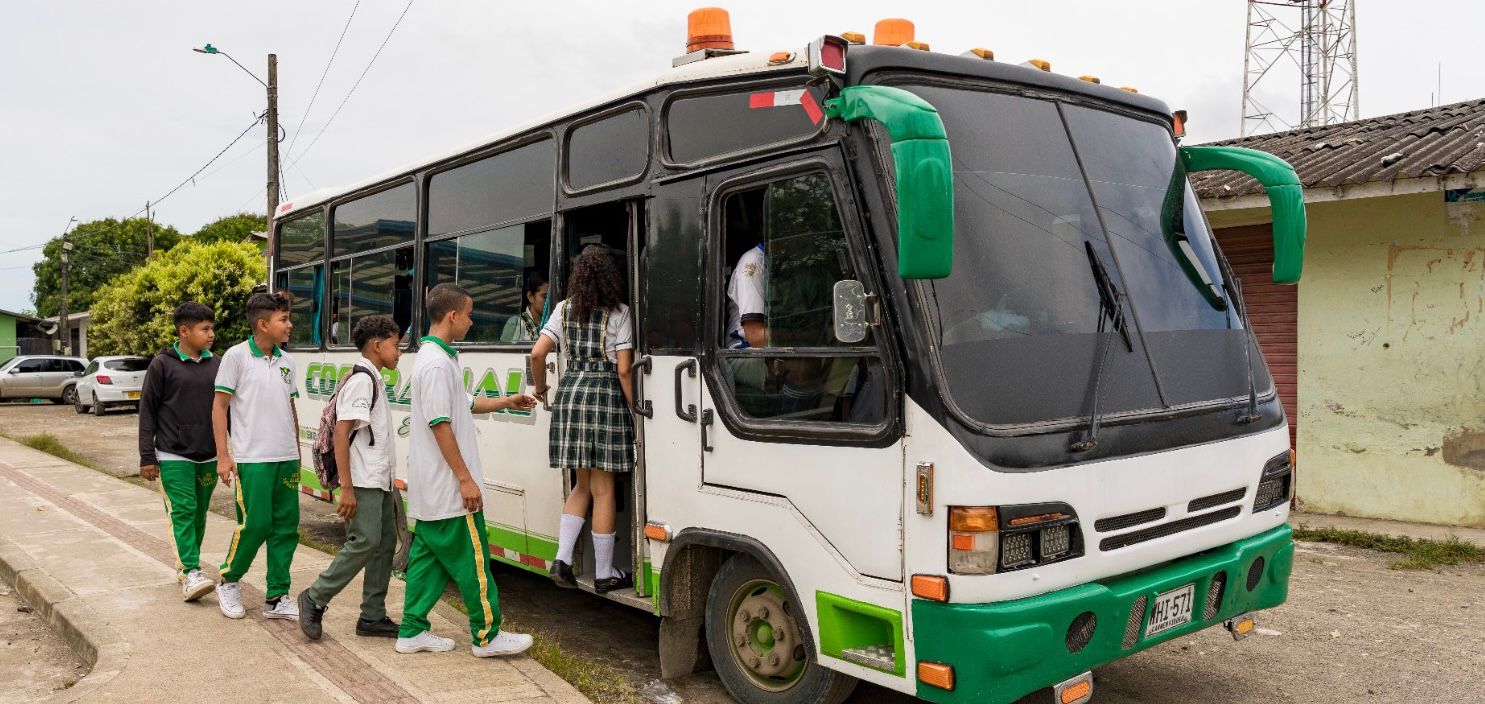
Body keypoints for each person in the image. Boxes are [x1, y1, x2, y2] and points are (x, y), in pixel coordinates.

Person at [397, 283, 536, 657]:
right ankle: (487, 635)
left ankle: (411, 630)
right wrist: (465, 479)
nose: (473, 322)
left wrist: (507, 400)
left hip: (432, 491)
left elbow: (464, 403)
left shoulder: (436, 358)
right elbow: (440, 424)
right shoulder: (437, 364)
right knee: (475, 562)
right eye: (470, 314)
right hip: (449, 490)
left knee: (426, 560)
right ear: (453, 316)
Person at [529, 245, 636, 594]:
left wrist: (542, 386)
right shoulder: (620, 313)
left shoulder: (563, 309)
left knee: (581, 484)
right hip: (604, 395)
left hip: (571, 394)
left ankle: (562, 559)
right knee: (604, 489)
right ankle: (604, 573)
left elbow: (537, 352)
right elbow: (623, 370)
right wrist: (637, 410)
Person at [298, 315, 403, 641]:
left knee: (385, 544)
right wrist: (346, 488)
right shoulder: (362, 381)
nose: (399, 352)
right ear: (377, 345)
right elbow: (342, 433)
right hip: (362, 481)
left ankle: (372, 616)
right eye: (395, 344)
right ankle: (315, 597)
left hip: (380, 481)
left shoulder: (374, 379)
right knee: (365, 541)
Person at [212, 287, 302, 621]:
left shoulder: (287, 361)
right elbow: (219, 407)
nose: (289, 325)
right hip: (253, 459)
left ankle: (277, 596)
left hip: (286, 457)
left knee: (286, 528)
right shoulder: (236, 357)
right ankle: (228, 579)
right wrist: (223, 455)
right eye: (283, 319)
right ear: (263, 324)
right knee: (256, 523)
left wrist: (297, 451)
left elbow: (290, 408)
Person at [138, 302, 221, 602]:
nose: (211, 334)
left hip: (209, 455)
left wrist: (228, 453)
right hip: (173, 455)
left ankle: (188, 567)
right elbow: (147, 412)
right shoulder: (162, 365)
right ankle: (190, 570)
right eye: (205, 329)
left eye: (211, 328)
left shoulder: (217, 364)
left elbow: (227, 410)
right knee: (183, 511)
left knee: (199, 515)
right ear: (184, 331)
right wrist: (147, 456)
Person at [499, 272, 548, 343]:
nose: (548, 302)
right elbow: (503, 352)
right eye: (545, 297)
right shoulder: (516, 323)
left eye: (551, 297)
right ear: (530, 297)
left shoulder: (553, 324)